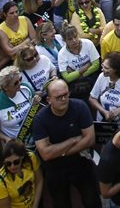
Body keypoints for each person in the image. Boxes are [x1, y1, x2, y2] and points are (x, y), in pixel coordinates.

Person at [32, 78, 97, 208]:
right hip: (55, 170)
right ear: (49, 100)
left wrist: (59, 152)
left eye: (66, 94)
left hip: (81, 162)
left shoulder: (80, 106)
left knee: (92, 201)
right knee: (61, 203)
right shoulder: (40, 119)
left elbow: (90, 139)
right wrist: (73, 140)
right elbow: (45, 154)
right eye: (59, 97)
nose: (64, 99)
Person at [0, 139, 43, 208]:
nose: (12, 167)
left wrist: (35, 205)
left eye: (16, 162)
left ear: (22, 157)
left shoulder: (31, 158)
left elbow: (39, 181)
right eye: (8, 163)